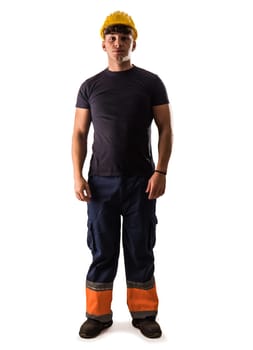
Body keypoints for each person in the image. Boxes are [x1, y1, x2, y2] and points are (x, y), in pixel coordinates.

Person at [71, 10, 173, 339]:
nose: (118, 43)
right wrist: (77, 176)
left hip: (141, 183)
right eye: (112, 38)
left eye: (124, 38)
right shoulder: (90, 86)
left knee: (140, 246)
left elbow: (166, 128)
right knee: (102, 248)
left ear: (134, 42)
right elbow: (79, 134)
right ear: (103, 44)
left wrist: (160, 171)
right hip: (100, 182)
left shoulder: (151, 83)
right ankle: (98, 315)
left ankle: (144, 313)